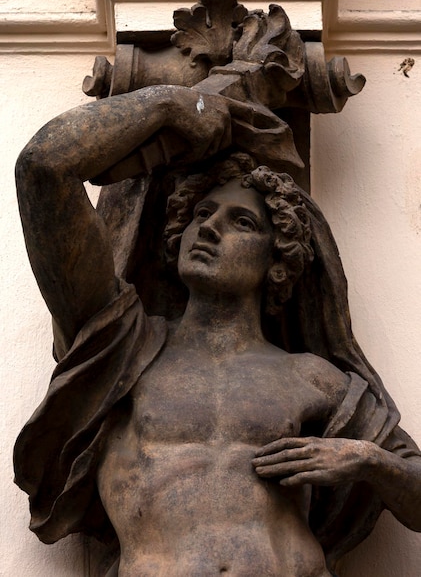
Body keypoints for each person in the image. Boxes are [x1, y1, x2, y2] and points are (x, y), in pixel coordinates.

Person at [14, 85, 421, 576]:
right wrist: (170, 104)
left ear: (279, 260)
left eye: (241, 222)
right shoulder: (124, 348)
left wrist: (368, 461)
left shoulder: (313, 378)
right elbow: (42, 169)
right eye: (202, 215)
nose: (208, 229)